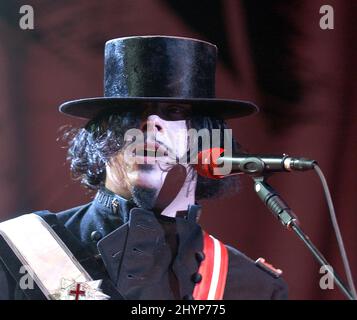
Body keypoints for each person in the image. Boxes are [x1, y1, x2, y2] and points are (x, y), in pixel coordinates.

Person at [0, 36, 288, 300]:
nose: (150, 124)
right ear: (101, 136)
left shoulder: (253, 288)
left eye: (174, 111)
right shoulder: (17, 253)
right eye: (131, 112)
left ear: (205, 137)